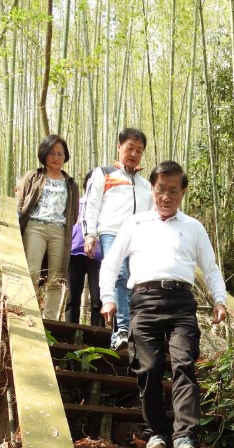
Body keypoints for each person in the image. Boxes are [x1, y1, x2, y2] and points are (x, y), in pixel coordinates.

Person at [99, 160, 227, 448]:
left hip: (181, 303)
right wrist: (108, 298)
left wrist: (219, 300)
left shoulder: (193, 227)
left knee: (184, 364)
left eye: (173, 191)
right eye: (160, 190)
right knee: (149, 368)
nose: (166, 197)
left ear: (182, 193)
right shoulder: (135, 224)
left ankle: (185, 437)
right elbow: (111, 264)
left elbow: (210, 269)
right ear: (152, 190)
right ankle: (157, 432)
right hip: (144, 301)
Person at [82, 127, 152, 348]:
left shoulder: (145, 184)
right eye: (130, 148)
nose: (134, 154)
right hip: (112, 232)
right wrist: (90, 234)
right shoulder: (103, 173)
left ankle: (127, 332)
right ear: (119, 147)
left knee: (135, 281)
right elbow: (91, 205)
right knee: (119, 275)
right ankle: (122, 330)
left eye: (139, 150)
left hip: (139, 236)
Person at [18, 135, 79, 320]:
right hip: (35, 227)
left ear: (65, 156)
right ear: (44, 153)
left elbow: (74, 213)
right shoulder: (33, 176)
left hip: (60, 231)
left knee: (56, 278)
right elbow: (20, 204)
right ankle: (29, 314)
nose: (56, 157)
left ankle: (50, 320)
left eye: (60, 153)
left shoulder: (71, 184)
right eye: (52, 153)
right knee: (32, 271)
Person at [65, 171, 103, 327]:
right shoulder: (75, 203)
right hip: (74, 254)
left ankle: (97, 335)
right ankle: (69, 333)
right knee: (72, 298)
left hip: (98, 256)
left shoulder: (105, 207)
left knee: (98, 299)